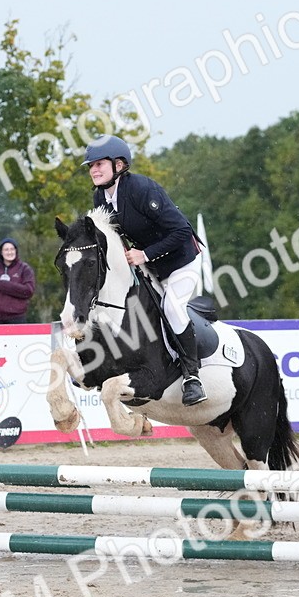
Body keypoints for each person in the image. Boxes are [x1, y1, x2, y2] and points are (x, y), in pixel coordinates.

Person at [83, 135, 206, 405]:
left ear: (119, 165)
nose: (94, 170)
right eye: (91, 166)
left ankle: (192, 376)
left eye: (99, 164)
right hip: (147, 264)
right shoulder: (100, 196)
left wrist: (145, 254)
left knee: (171, 307)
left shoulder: (141, 189)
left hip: (181, 260)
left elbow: (182, 230)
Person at [0, 237, 36, 324]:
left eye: (12, 249)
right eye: (6, 250)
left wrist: (7, 286)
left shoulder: (24, 269)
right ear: (1, 252)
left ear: (16, 251)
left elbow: (28, 291)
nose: (9, 252)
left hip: (17, 318)